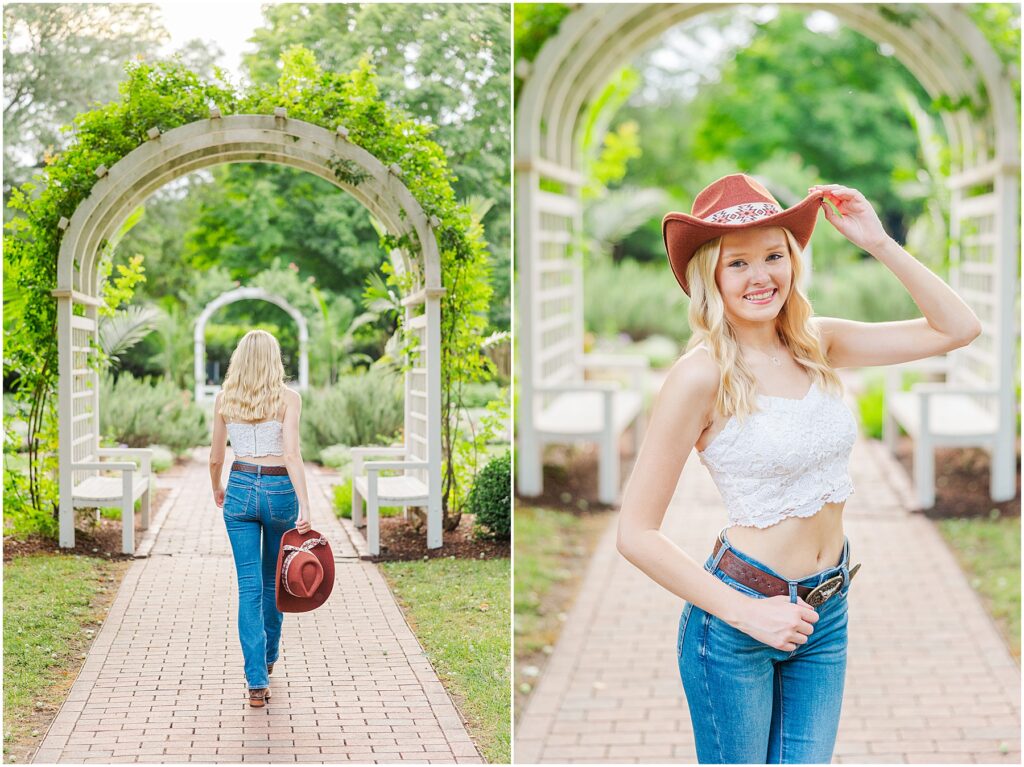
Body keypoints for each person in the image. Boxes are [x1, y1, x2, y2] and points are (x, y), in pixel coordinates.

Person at [616, 174, 981, 763]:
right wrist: (747, 612)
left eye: (774, 255)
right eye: (738, 263)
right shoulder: (700, 375)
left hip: (824, 610)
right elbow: (635, 533)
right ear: (710, 275)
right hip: (736, 621)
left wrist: (880, 244)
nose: (761, 276)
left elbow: (957, 329)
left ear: (793, 260)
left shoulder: (818, 343)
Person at [209, 329, 313, 708]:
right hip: (279, 491)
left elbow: (216, 456)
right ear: (275, 359)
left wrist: (218, 487)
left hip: (238, 488)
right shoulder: (288, 399)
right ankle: (268, 656)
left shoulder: (225, 399)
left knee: (249, 586)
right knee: (275, 580)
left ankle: (256, 680)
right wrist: (305, 504)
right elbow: (292, 455)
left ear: (239, 359)